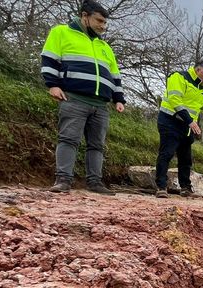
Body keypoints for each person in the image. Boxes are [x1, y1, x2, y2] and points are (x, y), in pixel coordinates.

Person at [41, 0, 126, 195]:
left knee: (97, 145)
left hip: (100, 104)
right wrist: (52, 85)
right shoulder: (61, 32)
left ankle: (95, 182)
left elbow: (115, 76)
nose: (102, 26)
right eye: (99, 21)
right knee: (69, 139)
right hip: (74, 98)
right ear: (84, 16)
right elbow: (49, 59)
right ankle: (63, 180)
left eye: (105, 23)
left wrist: (119, 98)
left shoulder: (104, 46)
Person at [154, 60, 203, 198]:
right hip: (170, 121)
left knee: (186, 159)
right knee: (166, 153)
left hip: (186, 127)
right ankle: (161, 187)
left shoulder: (202, 91)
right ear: (197, 70)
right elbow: (175, 99)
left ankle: (185, 187)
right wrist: (190, 121)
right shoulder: (178, 77)